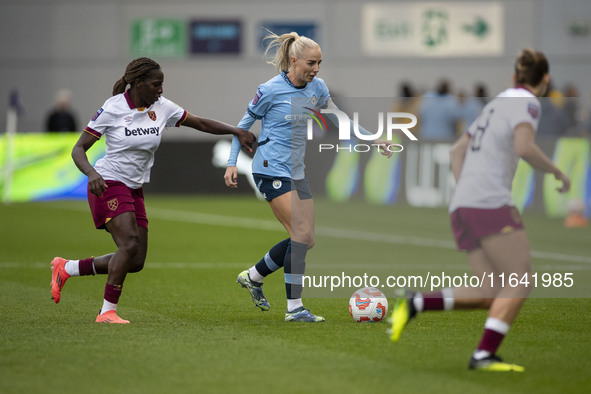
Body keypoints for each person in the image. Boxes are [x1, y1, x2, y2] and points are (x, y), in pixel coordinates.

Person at [388, 49, 571, 371]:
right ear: (544, 79)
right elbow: (524, 147)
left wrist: (466, 192)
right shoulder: (526, 103)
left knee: (490, 291)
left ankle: (417, 301)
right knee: (520, 279)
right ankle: (484, 354)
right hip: (489, 202)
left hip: (463, 204)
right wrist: (557, 171)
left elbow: (458, 151)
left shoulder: (496, 103)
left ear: (513, 77)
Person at [50, 57, 255, 323]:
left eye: (162, 84)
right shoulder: (112, 108)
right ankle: (107, 312)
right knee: (129, 244)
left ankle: (67, 268)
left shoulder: (162, 107)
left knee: (134, 261)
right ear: (138, 83)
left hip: (134, 188)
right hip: (109, 183)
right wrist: (91, 173)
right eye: (155, 84)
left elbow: (201, 123)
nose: (160, 90)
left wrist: (235, 131)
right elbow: (78, 149)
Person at [224, 32, 393, 322]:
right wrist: (230, 163)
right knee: (300, 236)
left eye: (320, 63)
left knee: (307, 239)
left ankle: (253, 276)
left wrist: (374, 139)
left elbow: (340, 119)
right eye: (311, 63)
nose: (316, 69)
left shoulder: (318, 87)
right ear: (294, 60)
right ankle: (294, 309)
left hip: (297, 172)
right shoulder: (270, 90)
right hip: (270, 168)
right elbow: (243, 126)